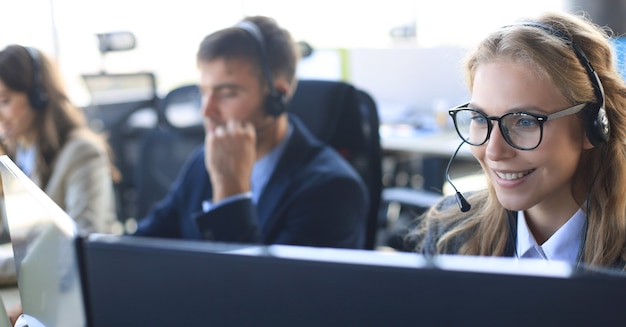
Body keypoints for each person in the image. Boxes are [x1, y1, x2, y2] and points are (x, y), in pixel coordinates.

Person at [406, 11, 626, 270]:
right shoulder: (450, 234)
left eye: (525, 121)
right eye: (480, 118)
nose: (494, 151)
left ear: (592, 126)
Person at [133, 16, 369, 248]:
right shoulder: (204, 160)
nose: (206, 110)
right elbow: (141, 243)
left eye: (227, 93)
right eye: (203, 92)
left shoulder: (332, 190)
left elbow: (257, 285)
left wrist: (230, 192)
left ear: (277, 97)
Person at [0, 45, 118, 235]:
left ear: (37, 96)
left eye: (4, 101)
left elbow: (82, 244)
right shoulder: (18, 152)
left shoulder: (82, 152)